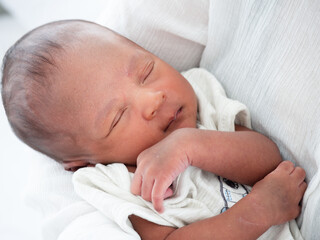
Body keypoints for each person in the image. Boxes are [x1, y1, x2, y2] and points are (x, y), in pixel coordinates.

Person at [1, 20, 306, 239]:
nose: (152, 99)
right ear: (82, 160)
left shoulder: (201, 98)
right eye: (118, 117)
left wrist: (192, 145)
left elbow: (268, 158)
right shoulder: (116, 182)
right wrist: (256, 213)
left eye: (146, 72)